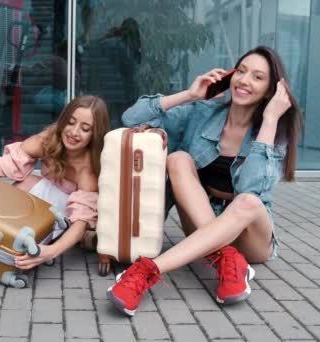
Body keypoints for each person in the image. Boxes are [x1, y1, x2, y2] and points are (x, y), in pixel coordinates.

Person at [108, 46, 303, 316]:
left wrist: (270, 120)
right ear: (231, 74)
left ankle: (147, 272)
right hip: (203, 220)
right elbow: (131, 117)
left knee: (247, 201)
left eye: (258, 77)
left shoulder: (273, 133)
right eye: (242, 71)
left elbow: (252, 190)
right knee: (177, 159)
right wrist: (189, 95)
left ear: (270, 90)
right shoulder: (202, 113)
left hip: (250, 236)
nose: (245, 81)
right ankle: (227, 261)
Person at [0, 95, 110, 269]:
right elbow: (2, 167)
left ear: (94, 134)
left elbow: (80, 220)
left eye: (85, 128)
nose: (74, 132)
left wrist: (51, 251)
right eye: (71, 122)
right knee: (26, 182)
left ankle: (76, 237)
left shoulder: (88, 170)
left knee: (72, 222)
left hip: (71, 214)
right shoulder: (48, 140)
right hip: (47, 204)